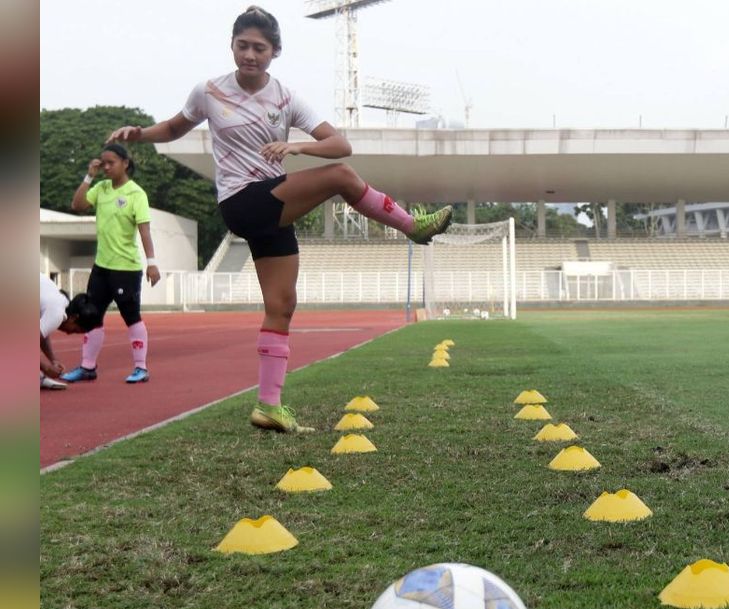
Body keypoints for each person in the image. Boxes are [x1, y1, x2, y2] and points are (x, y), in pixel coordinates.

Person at [107, 5, 452, 434]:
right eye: (243, 46)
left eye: (260, 48)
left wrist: (297, 148)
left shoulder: (286, 99)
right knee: (342, 179)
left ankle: (268, 406)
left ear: (275, 52)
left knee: (282, 306)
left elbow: (339, 143)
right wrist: (139, 134)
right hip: (241, 201)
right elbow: (177, 127)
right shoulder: (209, 91)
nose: (250, 55)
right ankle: (411, 227)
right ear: (232, 46)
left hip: (272, 204)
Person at [61, 144, 161, 385]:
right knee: (90, 316)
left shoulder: (136, 194)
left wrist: (152, 263)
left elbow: (144, 230)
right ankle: (87, 367)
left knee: (131, 317)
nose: (106, 167)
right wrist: (89, 176)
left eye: (111, 163)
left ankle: (140, 368)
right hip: (101, 266)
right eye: (103, 163)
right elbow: (78, 205)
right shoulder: (101, 188)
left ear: (125, 163)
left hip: (126, 268)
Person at [40, 275, 104, 390]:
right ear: (74, 318)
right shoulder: (57, 313)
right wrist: (45, 368)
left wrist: (53, 360)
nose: (69, 333)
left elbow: (42, 334)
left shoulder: (60, 301)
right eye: (74, 330)